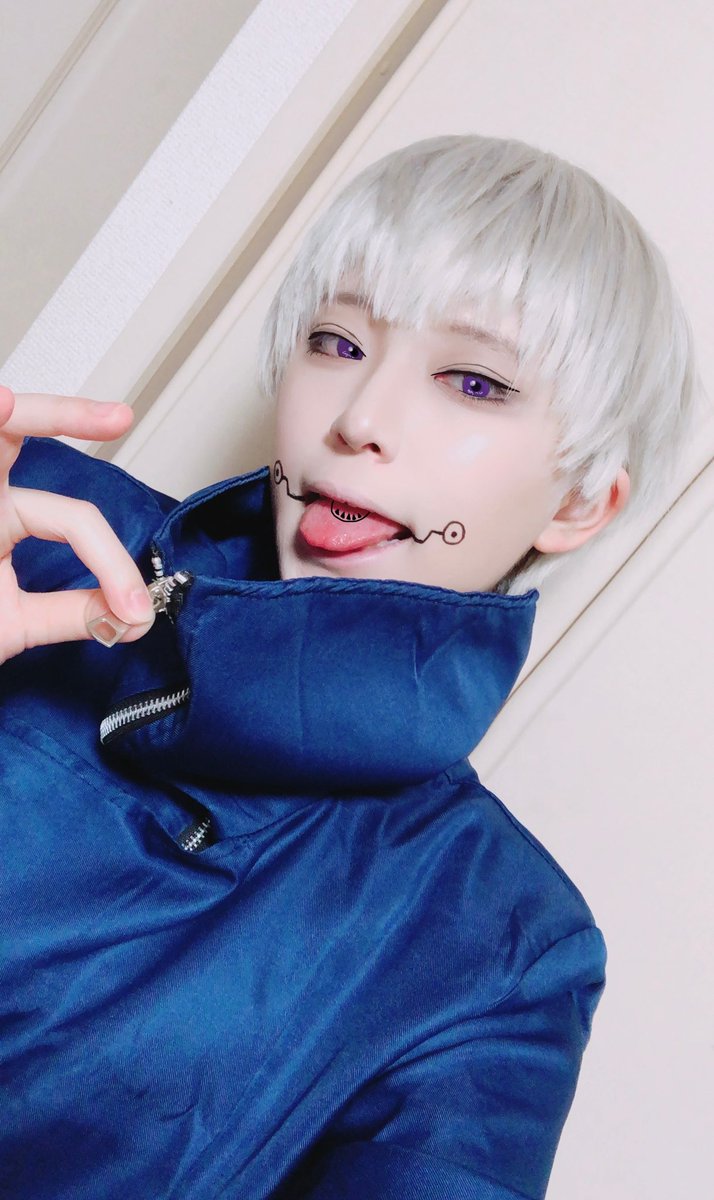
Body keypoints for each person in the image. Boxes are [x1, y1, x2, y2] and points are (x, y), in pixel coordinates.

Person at [0, 134, 699, 1199]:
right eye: (336, 341)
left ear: (578, 501)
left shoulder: (501, 953)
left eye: (474, 381)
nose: (359, 420)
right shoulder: (30, 536)